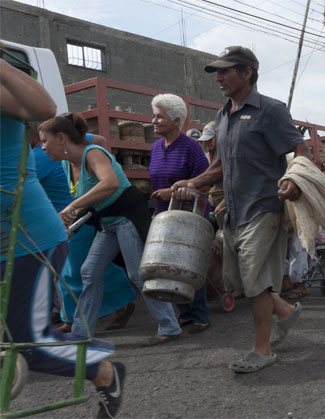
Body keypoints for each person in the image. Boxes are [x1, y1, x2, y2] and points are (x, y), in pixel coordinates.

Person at [1, 51, 125, 418]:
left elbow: (44, 105)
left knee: (29, 344)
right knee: (18, 339)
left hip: (27, 239)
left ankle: (102, 368)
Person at [171, 46, 308, 373]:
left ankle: (262, 351)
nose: (219, 77)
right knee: (241, 282)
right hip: (232, 210)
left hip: (263, 206)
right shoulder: (222, 115)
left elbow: (300, 148)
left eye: (226, 70)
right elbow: (221, 165)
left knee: (257, 283)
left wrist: (295, 178)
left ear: (247, 73)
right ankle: (286, 312)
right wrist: (194, 182)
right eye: (216, 72)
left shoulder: (270, 111)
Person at [39, 114, 182, 346]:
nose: (43, 147)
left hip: (127, 217)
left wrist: (73, 207)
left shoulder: (93, 153)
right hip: (107, 222)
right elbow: (91, 204)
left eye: (45, 140)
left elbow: (110, 183)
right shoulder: (67, 164)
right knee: (89, 271)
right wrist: (69, 224)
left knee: (137, 273)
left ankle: (169, 326)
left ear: (62, 138)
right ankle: (81, 332)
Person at [30, 124, 136, 333]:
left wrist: (93, 162)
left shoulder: (39, 157)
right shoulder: (51, 155)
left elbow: (100, 147)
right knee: (74, 269)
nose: (44, 146)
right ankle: (72, 318)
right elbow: (100, 141)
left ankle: (122, 303)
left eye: (46, 141)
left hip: (75, 217)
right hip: (66, 217)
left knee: (75, 269)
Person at [149, 93, 212, 334]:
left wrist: (181, 189)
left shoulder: (191, 148)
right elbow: (157, 184)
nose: (154, 121)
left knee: (190, 264)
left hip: (190, 215)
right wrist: (157, 211)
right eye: (154, 116)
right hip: (166, 216)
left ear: (176, 121)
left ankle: (200, 315)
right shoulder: (155, 148)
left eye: (159, 117)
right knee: (170, 264)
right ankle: (184, 313)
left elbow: (205, 183)